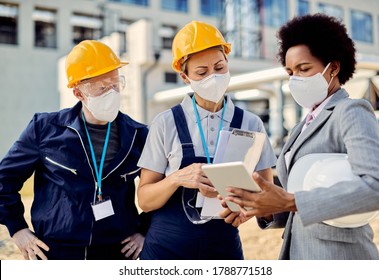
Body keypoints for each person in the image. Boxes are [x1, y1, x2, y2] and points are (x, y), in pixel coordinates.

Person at [222, 14, 379, 259]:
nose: (295, 79)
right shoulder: (302, 126)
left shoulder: (351, 111)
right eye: (290, 71)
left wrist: (290, 201)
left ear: (333, 67)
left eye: (304, 68)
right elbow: (295, 197)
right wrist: (262, 207)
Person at [136, 21, 277, 260]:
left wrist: (250, 211)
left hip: (223, 249)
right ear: (184, 76)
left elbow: (267, 192)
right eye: (202, 72)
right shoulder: (165, 123)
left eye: (219, 67)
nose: (213, 76)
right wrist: (177, 178)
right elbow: (145, 200)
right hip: (166, 250)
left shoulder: (251, 124)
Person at [0, 40, 149, 260]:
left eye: (116, 85)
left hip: (117, 252)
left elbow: (162, 189)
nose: (113, 93)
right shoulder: (44, 129)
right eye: (102, 88)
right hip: (55, 252)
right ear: (78, 92)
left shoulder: (138, 135)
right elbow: (4, 180)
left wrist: (144, 230)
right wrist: (18, 229)